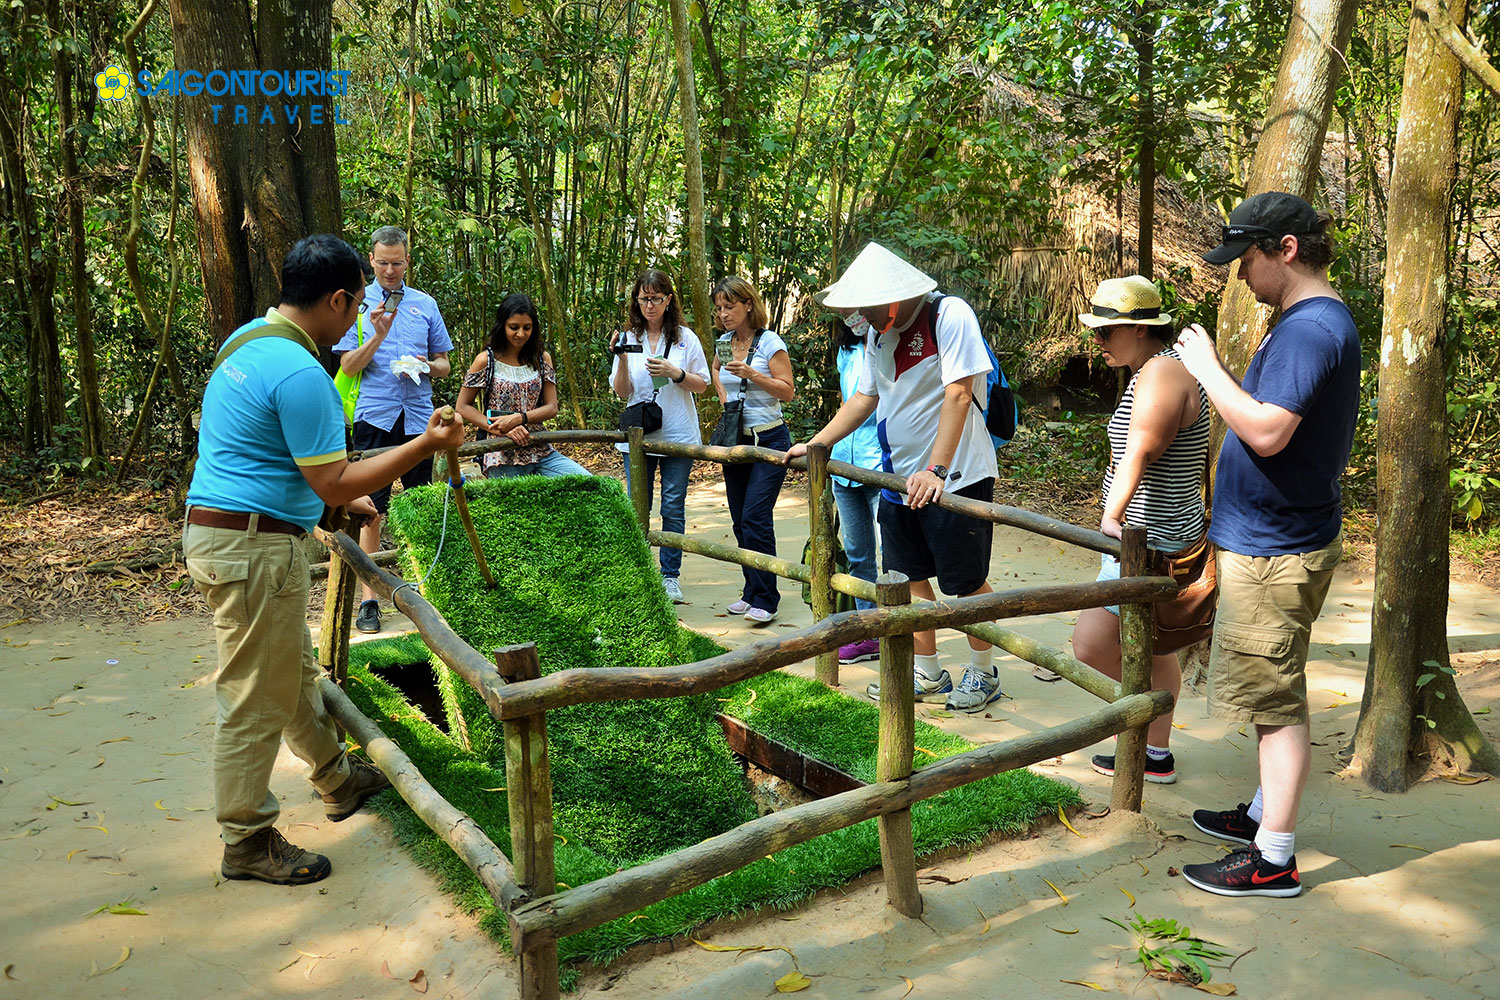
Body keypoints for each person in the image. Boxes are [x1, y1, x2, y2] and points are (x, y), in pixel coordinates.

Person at [183, 234, 464, 885]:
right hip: (251, 548)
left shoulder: (246, 344)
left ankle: (337, 779)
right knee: (254, 694)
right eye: (358, 302)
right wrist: (424, 441)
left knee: (292, 671)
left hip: (226, 533)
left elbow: (254, 453)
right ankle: (246, 836)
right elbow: (335, 481)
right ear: (338, 299)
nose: (358, 314)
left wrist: (335, 504)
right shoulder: (303, 373)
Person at [1172, 192, 1360, 898]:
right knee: (1274, 682)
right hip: (1276, 536)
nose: (1239, 276)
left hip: (1277, 547)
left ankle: (1272, 857)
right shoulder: (1303, 321)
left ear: (1285, 250)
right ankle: (1259, 815)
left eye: (1246, 260)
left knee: (1274, 699)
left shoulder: (1312, 329)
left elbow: (1268, 431)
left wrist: (1207, 367)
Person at [787, 243, 1001, 712]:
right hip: (899, 478)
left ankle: (984, 673)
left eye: (866, 303)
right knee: (909, 578)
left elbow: (960, 395)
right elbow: (865, 399)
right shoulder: (876, 337)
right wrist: (817, 443)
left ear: (897, 296)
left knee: (965, 581)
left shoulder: (949, 315)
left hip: (956, 475)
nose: (859, 313)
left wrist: (936, 469)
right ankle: (926, 671)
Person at [1067, 275, 1209, 785]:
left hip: (1146, 539)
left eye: (1106, 333)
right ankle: (1155, 749)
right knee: (1153, 646)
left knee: (1091, 644)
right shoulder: (1154, 371)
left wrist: (1112, 515)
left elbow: (1142, 448)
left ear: (1138, 329)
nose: (1098, 343)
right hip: (1155, 532)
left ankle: (1141, 726)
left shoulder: (1163, 373)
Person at [334, 225, 453, 634]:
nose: (390, 270)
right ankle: (369, 602)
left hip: (420, 417)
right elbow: (348, 365)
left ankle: (425, 595)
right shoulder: (356, 303)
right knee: (372, 510)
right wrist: (377, 337)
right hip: (375, 417)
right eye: (383, 263)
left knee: (421, 505)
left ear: (407, 260)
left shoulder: (425, 305)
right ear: (371, 260)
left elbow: (445, 364)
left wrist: (426, 364)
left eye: (397, 262)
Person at [609, 269, 710, 604]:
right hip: (638, 436)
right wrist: (622, 359)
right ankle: (638, 573)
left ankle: (670, 576)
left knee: (672, 506)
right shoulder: (628, 336)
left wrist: (675, 372)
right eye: (643, 298)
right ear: (636, 301)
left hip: (678, 433)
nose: (649, 305)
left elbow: (703, 383)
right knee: (638, 505)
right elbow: (622, 391)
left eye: (655, 298)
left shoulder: (685, 338)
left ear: (668, 300)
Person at [709, 276, 795, 624]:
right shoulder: (724, 342)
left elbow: (787, 391)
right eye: (719, 308)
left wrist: (752, 375)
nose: (724, 314)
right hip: (736, 440)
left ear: (748, 305)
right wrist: (724, 396)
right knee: (740, 518)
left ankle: (767, 598)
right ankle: (750, 591)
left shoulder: (770, 342)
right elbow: (716, 370)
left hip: (769, 439)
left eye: (730, 306)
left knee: (756, 517)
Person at [455, 292, 589, 479]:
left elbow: (552, 408)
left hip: (540, 447)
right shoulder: (486, 360)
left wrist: (520, 419)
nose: (521, 334)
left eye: (527, 328)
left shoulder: (542, 358)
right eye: (514, 327)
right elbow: (462, 406)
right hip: (501, 452)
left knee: (587, 483)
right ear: (503, 326)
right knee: (517, 505)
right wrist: (496, 427)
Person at [824, 306, 885, 663]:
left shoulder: (890, 346)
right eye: (844, 311)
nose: (851, 316)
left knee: (889, 552)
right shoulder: (846, 351)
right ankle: (868, 631)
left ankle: (899, 628)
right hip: (845, 465)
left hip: (879, 464)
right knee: (859, 554)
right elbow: (849, 404)